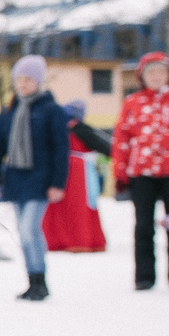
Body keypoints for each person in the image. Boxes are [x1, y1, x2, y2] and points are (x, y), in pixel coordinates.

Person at [0, 55, 67, 300]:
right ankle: (32, 281)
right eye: (19, 80)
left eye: (28, 80)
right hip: (15, 179)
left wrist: (57, 183)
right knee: (23, 233)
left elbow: (60, 149)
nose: (23, 85)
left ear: (38, 82)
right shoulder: (9, 110)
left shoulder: (51, 110)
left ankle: (40, 278)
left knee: (30, 228)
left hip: (40, 180)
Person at [111, 51, 169, 290]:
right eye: (150, 72)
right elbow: (122, 139)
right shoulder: (133, 102)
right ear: (141, 76)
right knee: (143, 225)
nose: (156, 76)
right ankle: (144, 276)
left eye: (160, 72)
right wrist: (120, 170)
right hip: (142, 172)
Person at [42, 100, 107, 253]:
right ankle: (79, 240)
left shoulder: (57, 129)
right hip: (77, 173)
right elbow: (104, 146)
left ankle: (58, 240)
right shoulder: (82, 129)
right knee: (77, 206)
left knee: (62, 206)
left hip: (61, 170)